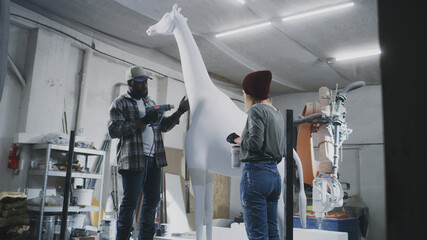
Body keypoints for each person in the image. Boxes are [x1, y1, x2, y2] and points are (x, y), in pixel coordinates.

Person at [108, 65, 189, 240]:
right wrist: (142, 121)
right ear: (130, 83)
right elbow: (114, 130)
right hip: (133, 160)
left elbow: (163, 127)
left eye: (146, 82)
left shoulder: (150, 103)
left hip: (154, 159)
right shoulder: (120, 103)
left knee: (152, 202)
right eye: (140, 83)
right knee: (130, 203)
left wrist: (180, 111)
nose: (145, 86)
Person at [226, 70, 285, 240]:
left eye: (245, 90)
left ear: (252, 91)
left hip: (256, 175)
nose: (243, 94)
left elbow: (254, 143)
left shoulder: (256, 110)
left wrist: (237, 139)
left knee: (257, 234)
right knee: (272, 232)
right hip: (274, 176)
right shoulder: (277, 113)